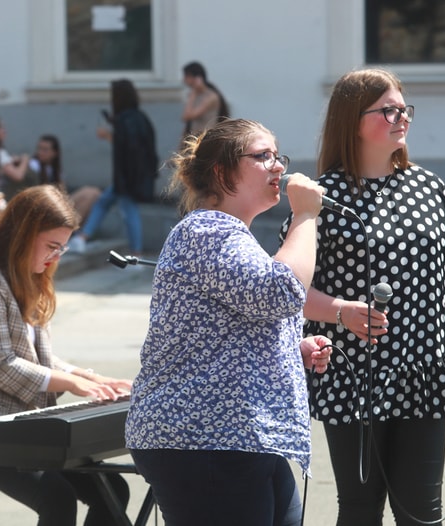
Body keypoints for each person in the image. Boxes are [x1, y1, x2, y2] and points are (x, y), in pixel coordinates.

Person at [279, 68, 445, 525]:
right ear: (353, 120)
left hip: (426, 372)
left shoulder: (431, 189)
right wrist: (339, 312)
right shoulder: (324, 198)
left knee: (422, 513)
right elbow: (286, 288)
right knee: (359, 512)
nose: (402, 118)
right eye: (388, 110)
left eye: (404, 109)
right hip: (354, 373)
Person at [125, 118, 333, 526]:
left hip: (241, 438)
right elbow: (279, 293)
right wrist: (306, 216)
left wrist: (292, 350)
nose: (278, 167)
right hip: (202, 440)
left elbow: (234, 323)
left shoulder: (231, 235)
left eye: (278, 156)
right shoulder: (207, 230)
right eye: (262, 156)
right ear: (221, 172)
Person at [0, 185, 132, 526]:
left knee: (112, 489)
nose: (56, 257)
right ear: (23, 235)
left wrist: (90, 378)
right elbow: (2, 366)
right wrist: (72, 383)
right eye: (52, 246)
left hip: (16, 429)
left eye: (62, 248)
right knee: (57, 496)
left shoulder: (26, 278)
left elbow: (39, 359)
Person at [68, 79, 157, 255]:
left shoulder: (127, 120)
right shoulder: (139, 118)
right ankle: (82, 237)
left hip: (127, 177)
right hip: (133, 176)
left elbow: (128, 148)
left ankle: (136, 254)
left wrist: (109, 135)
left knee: (128, 211)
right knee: (103, 202)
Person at [28, 134, 101, 222]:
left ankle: (74, 230)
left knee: (93, 193)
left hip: (56, 205)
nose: (40, 152)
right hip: (41, 208)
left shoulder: (55, 170)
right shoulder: (33, 165)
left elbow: (62, 192)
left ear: (55, 153)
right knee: (90, 193)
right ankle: (75, 231)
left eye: (45, 150)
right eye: (39, 148)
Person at [180, 61, 230, 139]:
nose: (184, 80)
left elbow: (188, 116)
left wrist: (193, 94)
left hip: (206, 139)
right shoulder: (195, 94)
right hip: (195, 138)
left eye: (186, 76)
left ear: (196, 78)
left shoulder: (210, 97)